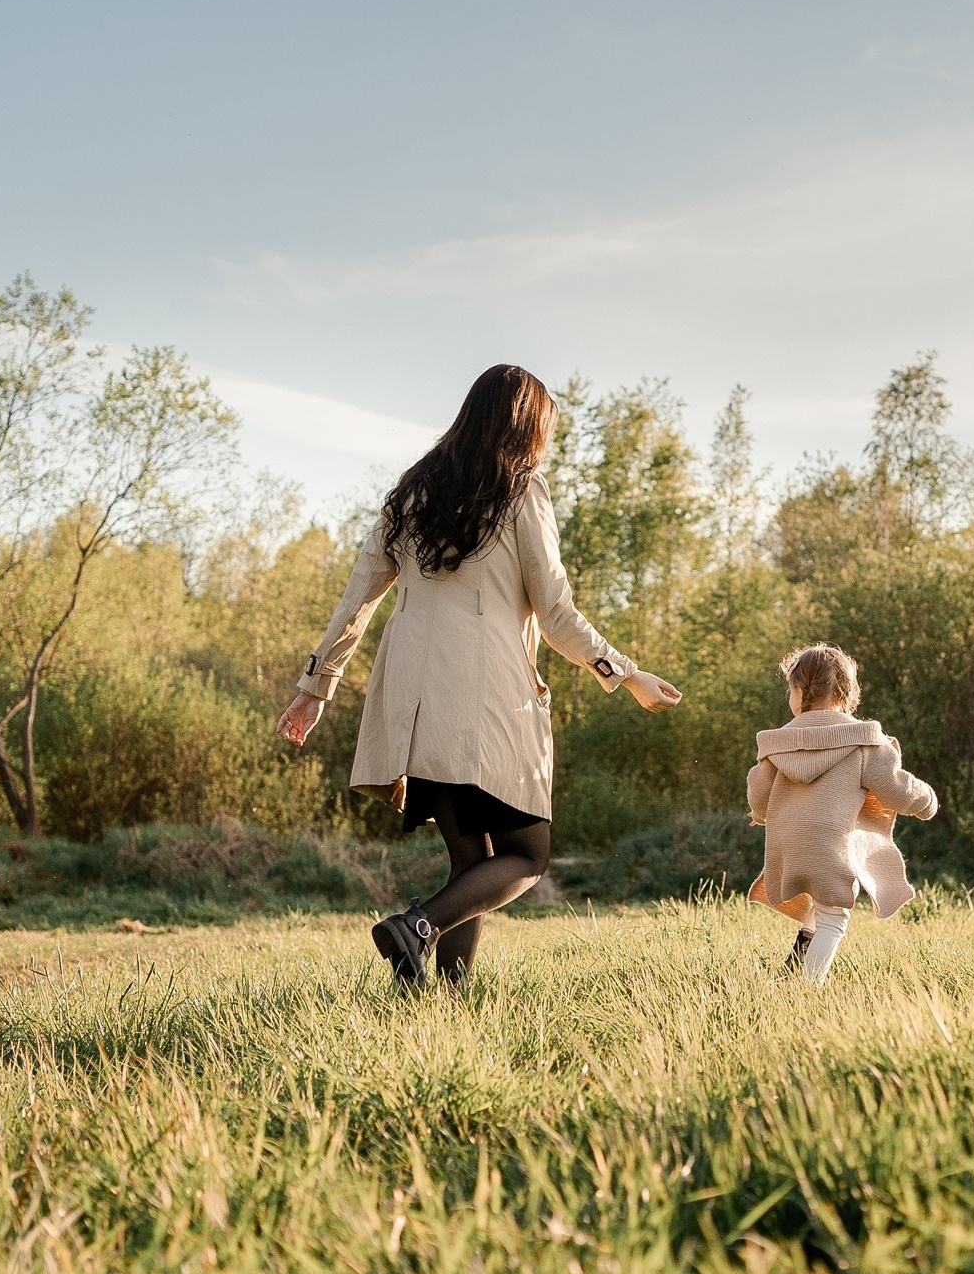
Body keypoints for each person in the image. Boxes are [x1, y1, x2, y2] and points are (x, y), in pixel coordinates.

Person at [276, 364, 682, 988]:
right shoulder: (521, 491)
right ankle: (416, 928)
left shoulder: (410, 492)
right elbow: (557, 614)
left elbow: (355, 601)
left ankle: (438, 991)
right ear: (527, 425)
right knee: (528, 856)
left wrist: (314, 690)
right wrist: (626, 674)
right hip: (485, 699)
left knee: (473, 859)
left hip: (411, 700)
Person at [746, 643, 937, 984]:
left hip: (785, 845)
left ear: (800, 691)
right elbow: (896, 790)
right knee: (835, 918)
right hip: (828, 845)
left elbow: (760, 797)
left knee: (818, 909)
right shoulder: (863, 742)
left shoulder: (777, 744)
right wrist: (926, 802)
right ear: (846, 694)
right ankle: (808, 987)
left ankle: (795, 967)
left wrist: (759, 814)